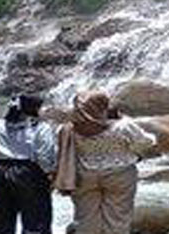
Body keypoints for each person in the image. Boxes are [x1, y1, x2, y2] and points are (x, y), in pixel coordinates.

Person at [53, 90, 154, 234]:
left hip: (84, 175)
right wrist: (136, 154)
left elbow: (60, 148)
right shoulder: (122, 126)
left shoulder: (68, 128)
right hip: (120, 174)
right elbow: (146, 142)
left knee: (85, 219)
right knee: (118, 218)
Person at [0, 94, 58, 234]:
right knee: (36, 218)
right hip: (28, 171)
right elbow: (44, 156)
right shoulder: (40, 127)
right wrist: (49, 173)